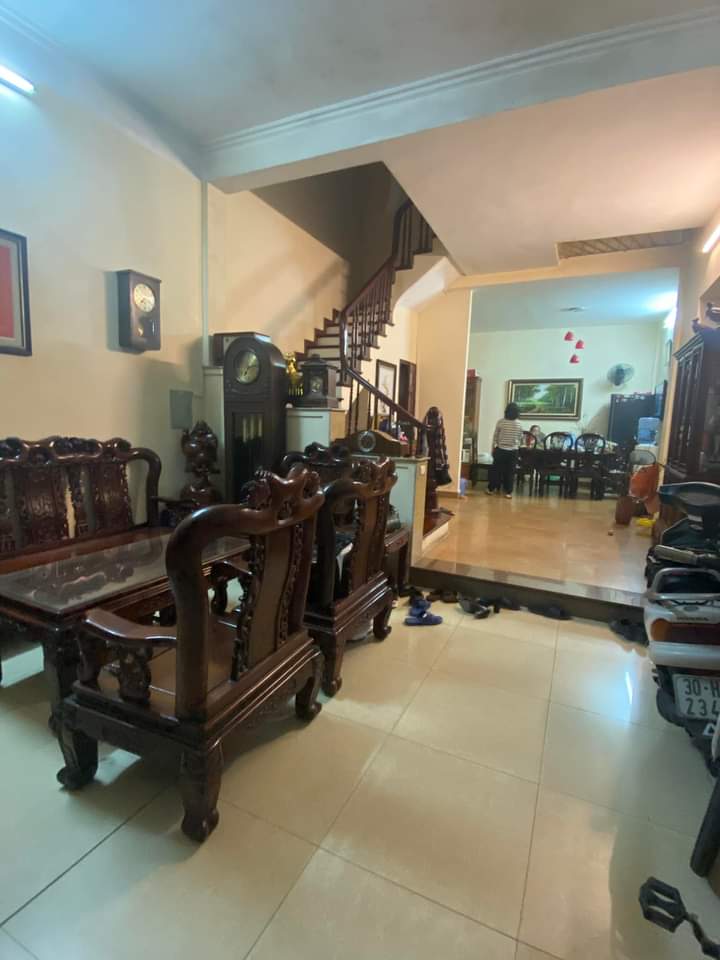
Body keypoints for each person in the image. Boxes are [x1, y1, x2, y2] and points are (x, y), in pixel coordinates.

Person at [487, 403, 525, 498]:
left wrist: (493, 448)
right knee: (510, 472)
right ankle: (508, 492)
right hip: (513, 451)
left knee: (496, 471)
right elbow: (521, 438)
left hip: (501, 450)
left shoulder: (501, 422)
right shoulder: (519, 424)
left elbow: (495, 436)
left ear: (506, 411)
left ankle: (491, 489)